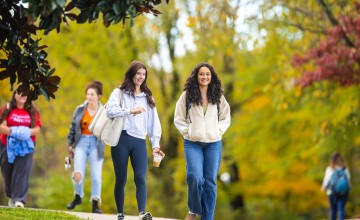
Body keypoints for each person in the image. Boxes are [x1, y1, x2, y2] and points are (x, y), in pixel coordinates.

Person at [106, 60, 165, 220]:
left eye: (143, 74)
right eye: (138, 73)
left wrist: (155, 146)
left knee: (140, 177)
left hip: (139, 141)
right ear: (131, 74)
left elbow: (154, 123)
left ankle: (141, 213)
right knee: (121, 178)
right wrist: (129, 111)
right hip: (121, 139)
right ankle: (120, 213)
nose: (141, 76)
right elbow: (109, 110)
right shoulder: (119, 92)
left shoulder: (148, 97)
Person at [174, 62, 231, 220]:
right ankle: (193, 209)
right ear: (196, 76)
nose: (204, 77)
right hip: (192, 143)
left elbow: (226, 117)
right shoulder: (187, 96)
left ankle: (207, 218)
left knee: (210, 182)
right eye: (201, 74)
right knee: (194, 176)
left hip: (214, 144)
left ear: (211, 77)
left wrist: (217, 131)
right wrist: (189, 132)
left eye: (207, 74)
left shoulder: (218, 95)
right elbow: (178, 118)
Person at [66, 80, 105, 213]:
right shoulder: (80, 109)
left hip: (96, 144)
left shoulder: (104, 112)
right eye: (88, 94)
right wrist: (70, 145)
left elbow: (108, 130)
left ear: (98, 96)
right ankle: (77, 196)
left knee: (96, 175)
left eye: (92, 94)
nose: (89, 97)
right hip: (81, 142)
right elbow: (72, 128)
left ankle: (95, 204)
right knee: (77, 173)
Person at [0, 90, 42, 208]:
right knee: (7, 173)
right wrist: (14, 132)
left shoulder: (32, 110)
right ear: (14, 95)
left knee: (22, 171)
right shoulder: (7, 108)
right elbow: (2, 125)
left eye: (25, 93)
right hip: (7, 144)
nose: (23, 95)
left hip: (26, 146)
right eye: (20, 93)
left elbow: (37, 128)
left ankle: (19, 200)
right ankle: (11, 196)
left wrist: (26, 132)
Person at [321, 152, 351, 220]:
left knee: (333, 210)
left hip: (332, 192)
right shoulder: (344, 168)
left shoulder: (330, 169)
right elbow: (348, 180)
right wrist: (348, 188)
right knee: (341, 209)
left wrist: (323, 187)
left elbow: (326, 180)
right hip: (343, 192)